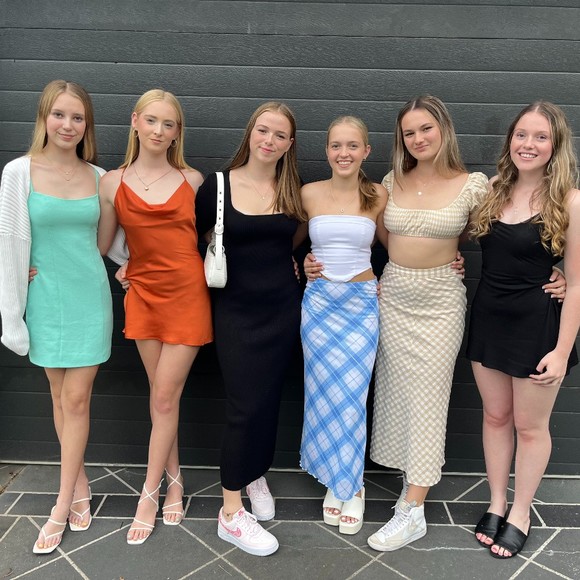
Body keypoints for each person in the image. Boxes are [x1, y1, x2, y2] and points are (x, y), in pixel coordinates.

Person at [304, 95, 565, 552]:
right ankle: (402, 485)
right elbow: (373, 237)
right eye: (409, 132)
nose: (418, 138)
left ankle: (414, 510)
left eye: (426, 128)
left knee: (428, 399)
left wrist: (557, 272)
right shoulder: (389, 183)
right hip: (392, 294)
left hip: (441, 300)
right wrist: (314, 259)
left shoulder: (476, 185)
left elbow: (511, 232)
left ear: (443, 129)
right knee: (396, 397)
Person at [0, 80, 112, 554]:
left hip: (89, 298)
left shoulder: (100, 177)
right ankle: (80, 483)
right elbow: (9, 239)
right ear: (44, 118)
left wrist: (134, 269)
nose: (68, 125)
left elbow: (111, 243)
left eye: (77, 117)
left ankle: (61, 505)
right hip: (44, 298)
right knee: (58, 396)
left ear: (87, 124)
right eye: (59, 115)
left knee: (77, 399)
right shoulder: (18, 172)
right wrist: (16, 283)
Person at [98, 89, 212, 545]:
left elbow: (213, 237)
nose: (159, 131)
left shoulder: (194, 180)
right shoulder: (112, 183)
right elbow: (102, 243)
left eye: (168, 124)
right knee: (162, 397)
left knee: (164, 398)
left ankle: (148, 495)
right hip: (143, 295)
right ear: (135, 122)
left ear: (177, 132)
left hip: (187, 295)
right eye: (151, 121)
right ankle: (175, 480)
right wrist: (122, 266)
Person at [467, 101, 579, 559]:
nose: (528, 144)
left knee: (530, 427)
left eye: (540, 137)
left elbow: (577, 284)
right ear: (510, 140)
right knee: (495, 417)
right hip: (488, 320)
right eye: (521, 134)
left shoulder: (570, 201)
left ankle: (520, 512)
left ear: (556, 146)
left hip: (537, 328)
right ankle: (496, 502)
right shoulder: (494, 189)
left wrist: (562, 350)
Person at [195, 102, 306, 556]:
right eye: (263, 130)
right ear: (250, 132)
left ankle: (254, 472)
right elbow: (196, 238)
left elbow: (294, 240)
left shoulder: (292, 189)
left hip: (282, 309)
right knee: (243, 406)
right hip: (236, 312)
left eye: (279, 135)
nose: (269, 140)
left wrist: (294, 267)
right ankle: (230, 513)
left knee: (267, 400)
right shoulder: (217, 186)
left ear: (289, 144)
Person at [299, 116, 387, 535]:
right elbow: (285, 242)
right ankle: (336, 481)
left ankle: (352, 487)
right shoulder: (308, 193)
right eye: (336, 145)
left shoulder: (378, 194)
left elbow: (398, 244)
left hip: (361, 305)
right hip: (318, 307)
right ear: (327, 150)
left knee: (352, 397)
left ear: (366, 151)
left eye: (353, 145)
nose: (344, 153)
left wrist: (450, 258)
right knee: (321, 396)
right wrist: (301, 261)